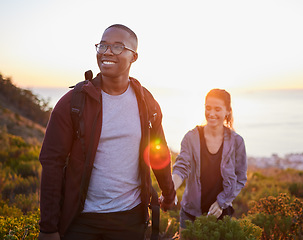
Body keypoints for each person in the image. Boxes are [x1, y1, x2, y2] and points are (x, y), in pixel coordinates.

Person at [38, 24, 176, 240]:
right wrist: (48, 228)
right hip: (80, 220)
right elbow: (51, 163)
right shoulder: (73, 103)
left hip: (129, 220)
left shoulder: (147, 104)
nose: (107, 52)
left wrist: (168, 194)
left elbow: (158, 152)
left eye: (118, 47)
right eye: (103, 45)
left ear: (134, 57)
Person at [172, 89, 247, 232]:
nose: (211, 113)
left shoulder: (237, 142)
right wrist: (170, 188)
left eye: (217, 109)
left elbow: (240, 178)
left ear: (227, 111)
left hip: (221, 213)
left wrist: (222, 202)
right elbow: (181, 168)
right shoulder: (191, 137)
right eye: (208, 108)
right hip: (190, 212)